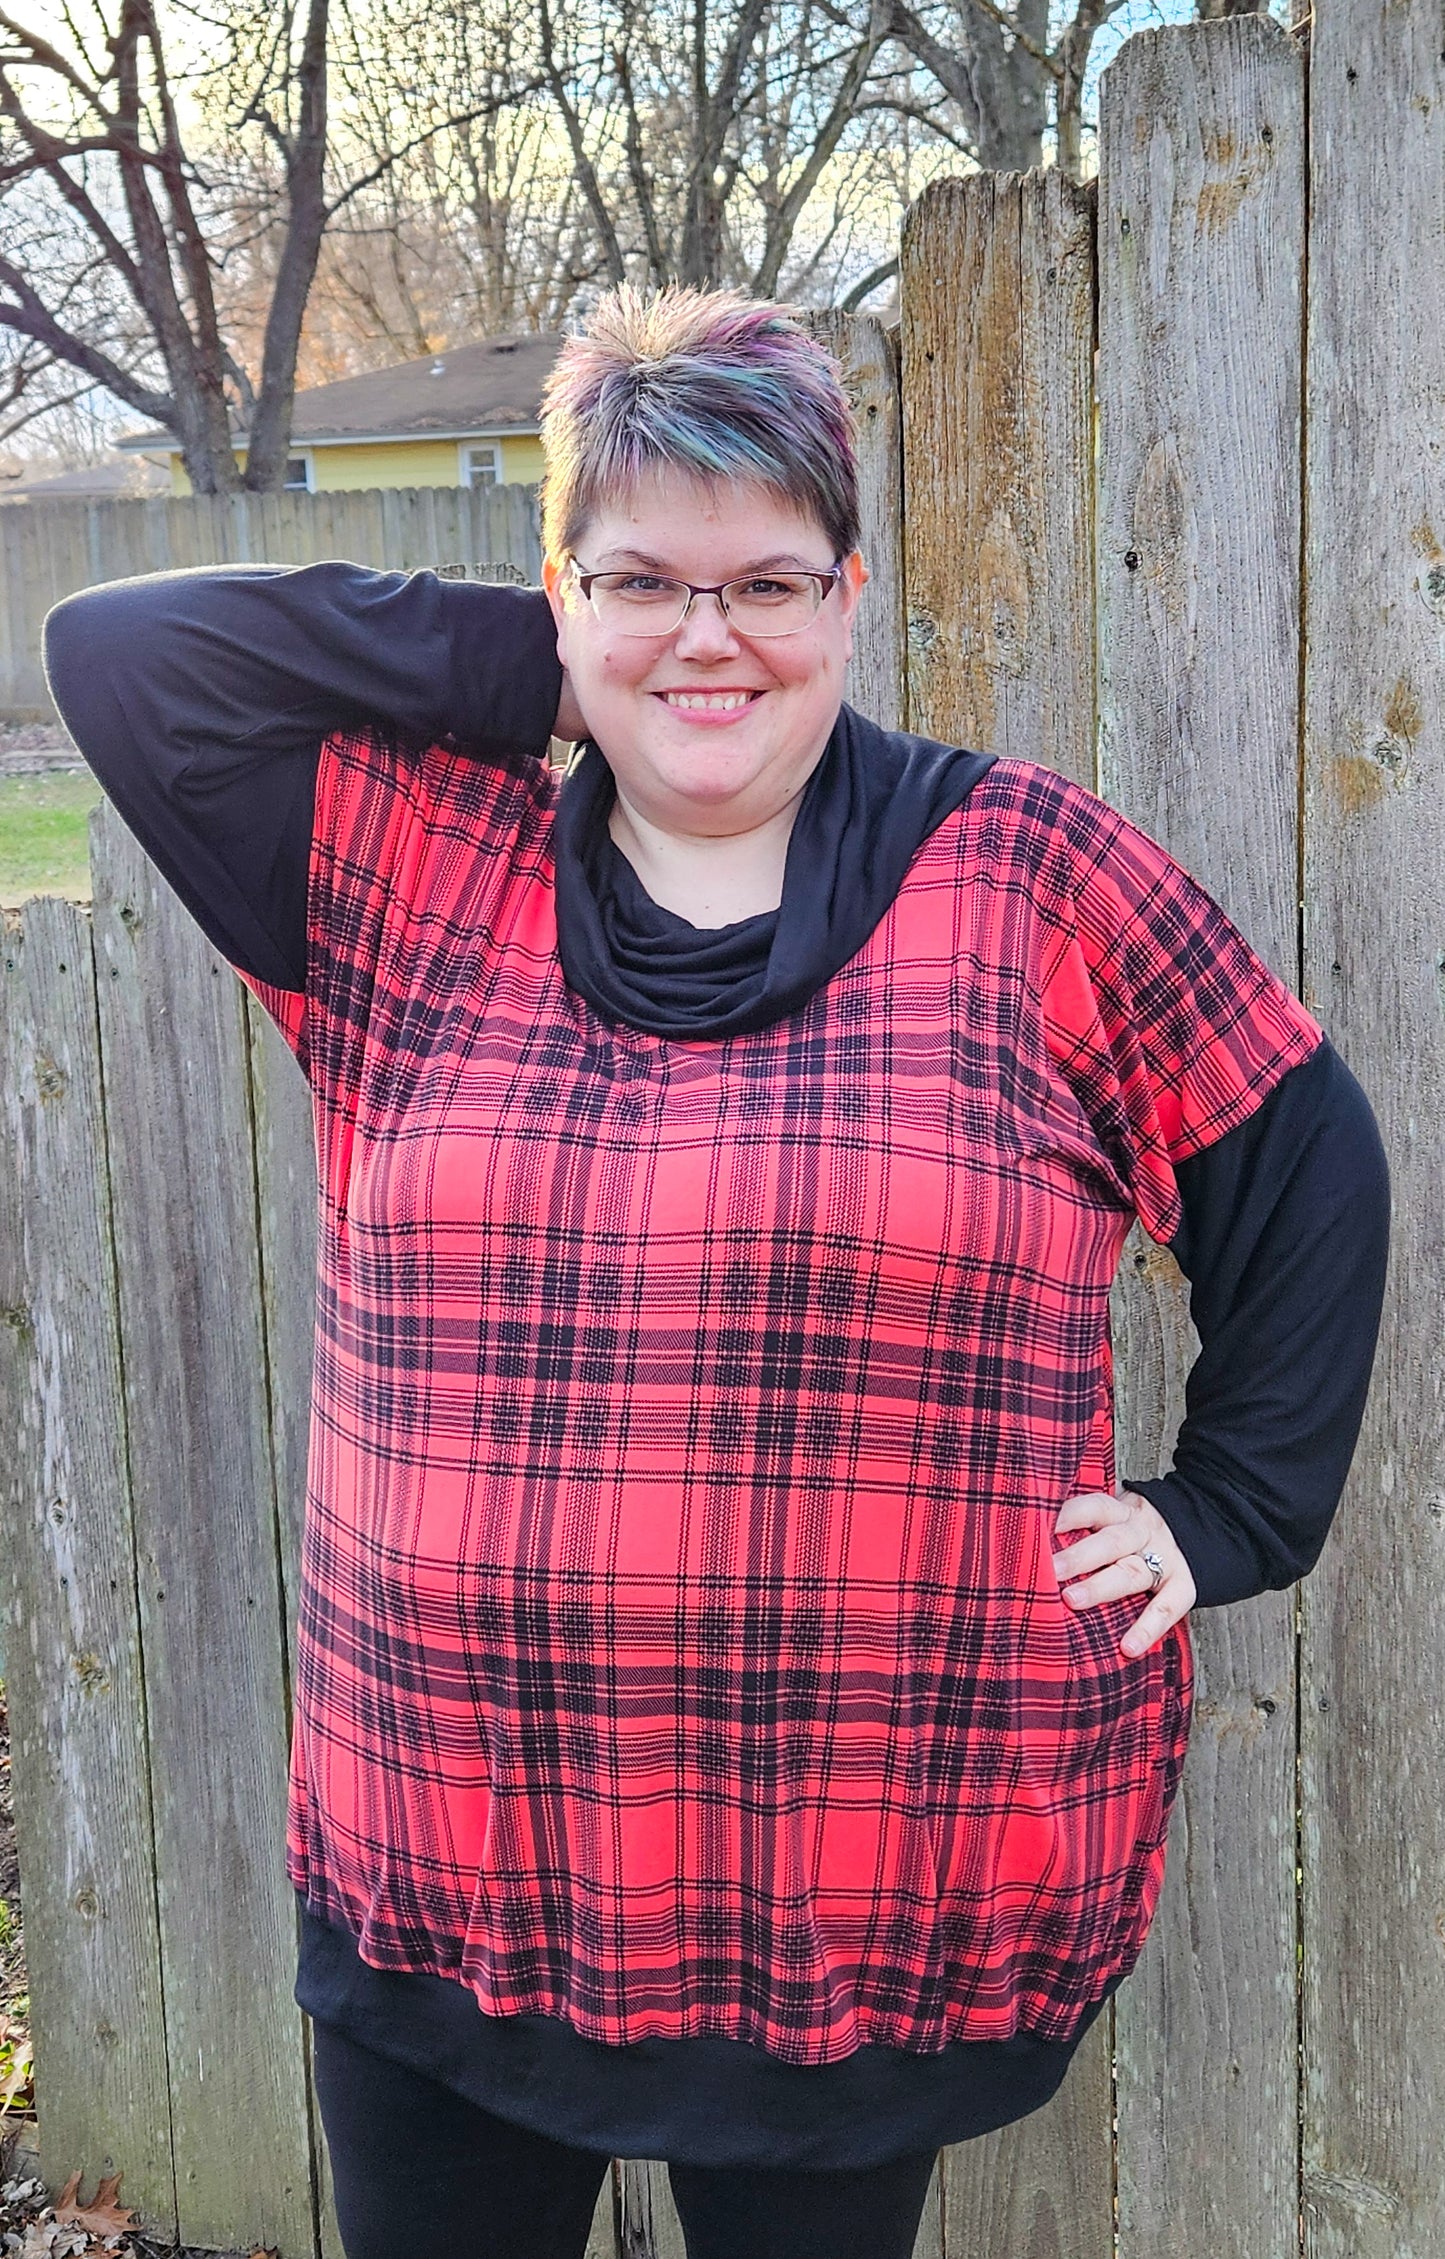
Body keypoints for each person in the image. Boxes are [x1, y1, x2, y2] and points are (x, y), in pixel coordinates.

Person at [43, 284, 1390, 2259]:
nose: (710, 631)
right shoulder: (405, 866)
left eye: (769, 580)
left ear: (851, 595)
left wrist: (1232, 1510)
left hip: (856, 1890)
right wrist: (574, 659)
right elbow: (129, 651)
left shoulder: (1035, 883)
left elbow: (1302, 1154)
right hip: (451, 1865)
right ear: (558, 592)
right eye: (642, 578)